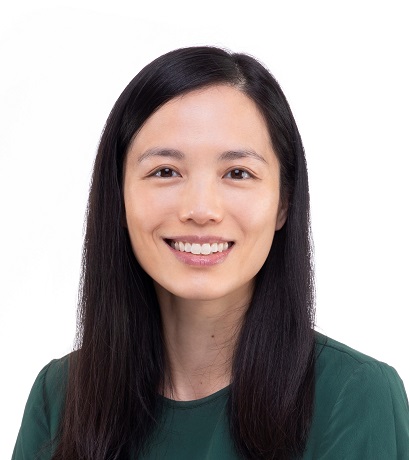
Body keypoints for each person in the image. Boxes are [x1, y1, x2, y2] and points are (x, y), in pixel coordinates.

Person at [12, 46, 409, 460]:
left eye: (238, 173)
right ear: (119, 199)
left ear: (283, 203)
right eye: (165, 171)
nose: (201, 210)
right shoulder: (59, 397)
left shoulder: (355, 397)